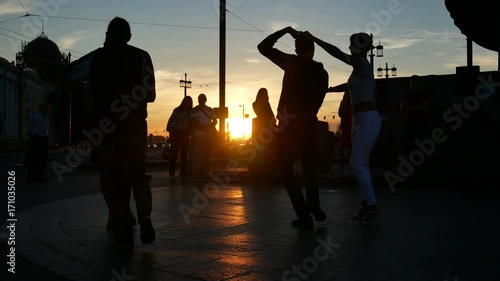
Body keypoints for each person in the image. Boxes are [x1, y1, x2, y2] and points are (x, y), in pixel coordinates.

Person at [88, 17, 156, 248]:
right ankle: (144, 217)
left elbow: (92, 95)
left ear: (107, 34)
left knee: (111, 178)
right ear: (129, 36)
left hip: (107, 128)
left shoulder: (98, 57)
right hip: (135, 127)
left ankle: (122, 227)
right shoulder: (142, 56)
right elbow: (151, 95)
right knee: (138, 175)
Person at [306, 31, 381, 225]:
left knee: (357, 164)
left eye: (351, 44)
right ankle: (367, 205)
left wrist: (316, 39)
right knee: (360, 165)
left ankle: (372, 206)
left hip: (368, 119)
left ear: (358, 47)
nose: (348, 48)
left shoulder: (362, 64)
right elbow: (349, 86)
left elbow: (337, 53)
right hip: (359, 119)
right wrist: (330, 89)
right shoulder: (359, 69)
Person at [258, 27, 329, 230]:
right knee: (310, 169)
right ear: (313, 49)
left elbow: (263, 47)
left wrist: (285, 31)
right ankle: (314, 206)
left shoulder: (291, 62)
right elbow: (320, 98)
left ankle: (304, 215)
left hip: (288, 126)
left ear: (296, 49)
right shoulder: (321, 71)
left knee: (286, 170)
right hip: (308, 123)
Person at [189, 94, 217, 181]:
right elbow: (191, 122)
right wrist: (204, 127)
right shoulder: (194, 110)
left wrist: (208, 127)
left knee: (208, 155)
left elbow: (215, 121)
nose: (201, 100)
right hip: (197, 136)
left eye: (203, 99)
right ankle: (197, 174)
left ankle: (206, 173)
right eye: (200, 99)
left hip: (208, 135)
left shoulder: (209, 110)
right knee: (197, 155)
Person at [251, 88, 277, 179]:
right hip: (268, 130)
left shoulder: (254, 104)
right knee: (268, 151)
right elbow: (271, 116)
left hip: (260, 130)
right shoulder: (266, 104)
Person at [400, 75, 430, 153]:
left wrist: (409, 108)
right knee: (412, 143)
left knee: (421, 143)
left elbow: (422, 107)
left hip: (420, 123)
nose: (413, 85)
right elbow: (403, 107)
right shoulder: (408, 94)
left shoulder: (424, 93)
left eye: (415, 83)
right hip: (410, 123)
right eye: (412, 83)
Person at [166, 96, 193, 182]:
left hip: (185, 134)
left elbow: (192, 125)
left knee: (184, 156)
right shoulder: (177, 111)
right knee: (174, 155)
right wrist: (171, 134)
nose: (188, 104)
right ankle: (172, 175)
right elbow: (172, 122)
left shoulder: (190, 112)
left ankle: (183, 174)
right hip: (177, 133)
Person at [27, 103, 49, 183]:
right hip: (36, 138)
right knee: (35, 158)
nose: (47, 110)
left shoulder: (45, 118)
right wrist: (31, 138)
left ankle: (40, 176)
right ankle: (31, 176)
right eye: (46, 109)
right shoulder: (35, 117)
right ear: (42, 109)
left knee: (43, 159)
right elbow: (29, 128)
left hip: (43, 138)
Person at [338, 90, 353, 175]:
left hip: (347, 125)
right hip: (348, 124)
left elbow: (340, 112)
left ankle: (345, 163)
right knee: (348, 144)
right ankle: (346, 163)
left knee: (347, 144)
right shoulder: (348, 102)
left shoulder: (343, 102)